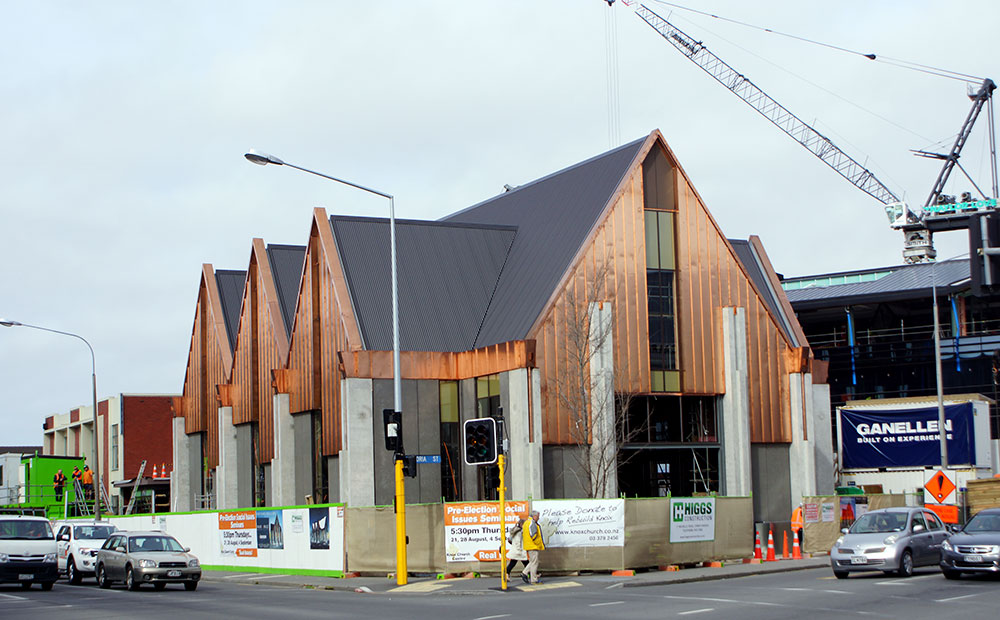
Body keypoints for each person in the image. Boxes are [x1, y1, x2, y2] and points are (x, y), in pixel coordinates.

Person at [521, 510, 545, 585]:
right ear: (534, 516)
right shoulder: (532, 523)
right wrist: (538, 543)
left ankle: (524, 573)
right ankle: (533, 579)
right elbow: (534, 535)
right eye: (538, 516)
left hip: (528, 545)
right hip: (533, 545)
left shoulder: (526, 523)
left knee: (532, 561)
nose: (538, 518)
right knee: (534, 562)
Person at [505, 516, 528, 582]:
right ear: (522, 524)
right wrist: (519, 549)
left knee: (513, 563)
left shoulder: (515, 530)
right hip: (518, 551)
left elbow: (509, 540)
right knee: (527, 563)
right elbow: (519, 542)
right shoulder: (519, 532)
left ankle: (506, 574)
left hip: (515, 550)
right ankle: (531, 574)